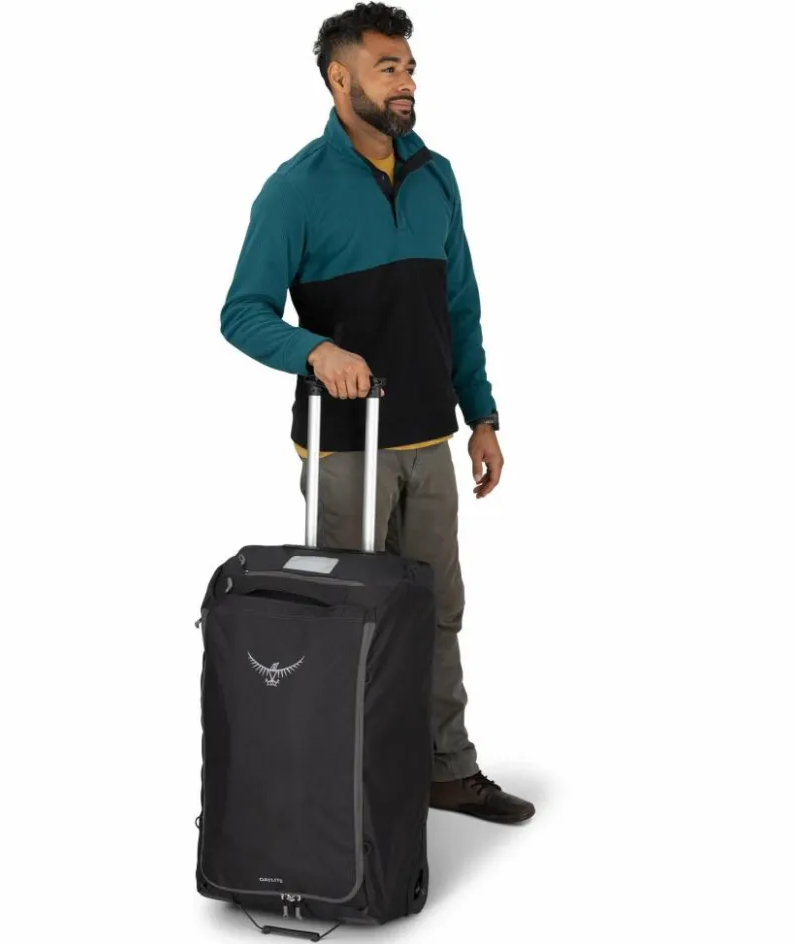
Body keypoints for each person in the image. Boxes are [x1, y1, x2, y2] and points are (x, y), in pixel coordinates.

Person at [219, 2, 535, 825]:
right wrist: (315, 350)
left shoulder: (436, 174)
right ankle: (346, 792)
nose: (406, 82)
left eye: (410, 67)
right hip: (346, 449)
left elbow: (459, 306)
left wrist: (483, 415)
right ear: (339, 78)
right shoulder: (295, 189)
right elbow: (242, 313)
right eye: (387, 67)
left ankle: (445, 771)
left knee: (436, 612)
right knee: (348, 621)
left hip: (431, 438)